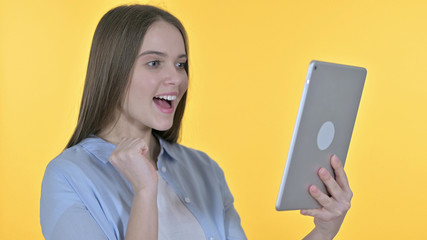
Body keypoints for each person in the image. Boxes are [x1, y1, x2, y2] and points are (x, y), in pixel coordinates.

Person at [40, 4, 352, 240]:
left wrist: (323, 231)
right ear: (113, 71)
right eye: (154, 63)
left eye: (180, 64)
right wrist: (145, 192)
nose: (175, 78)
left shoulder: (204, 170)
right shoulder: (68, 177)